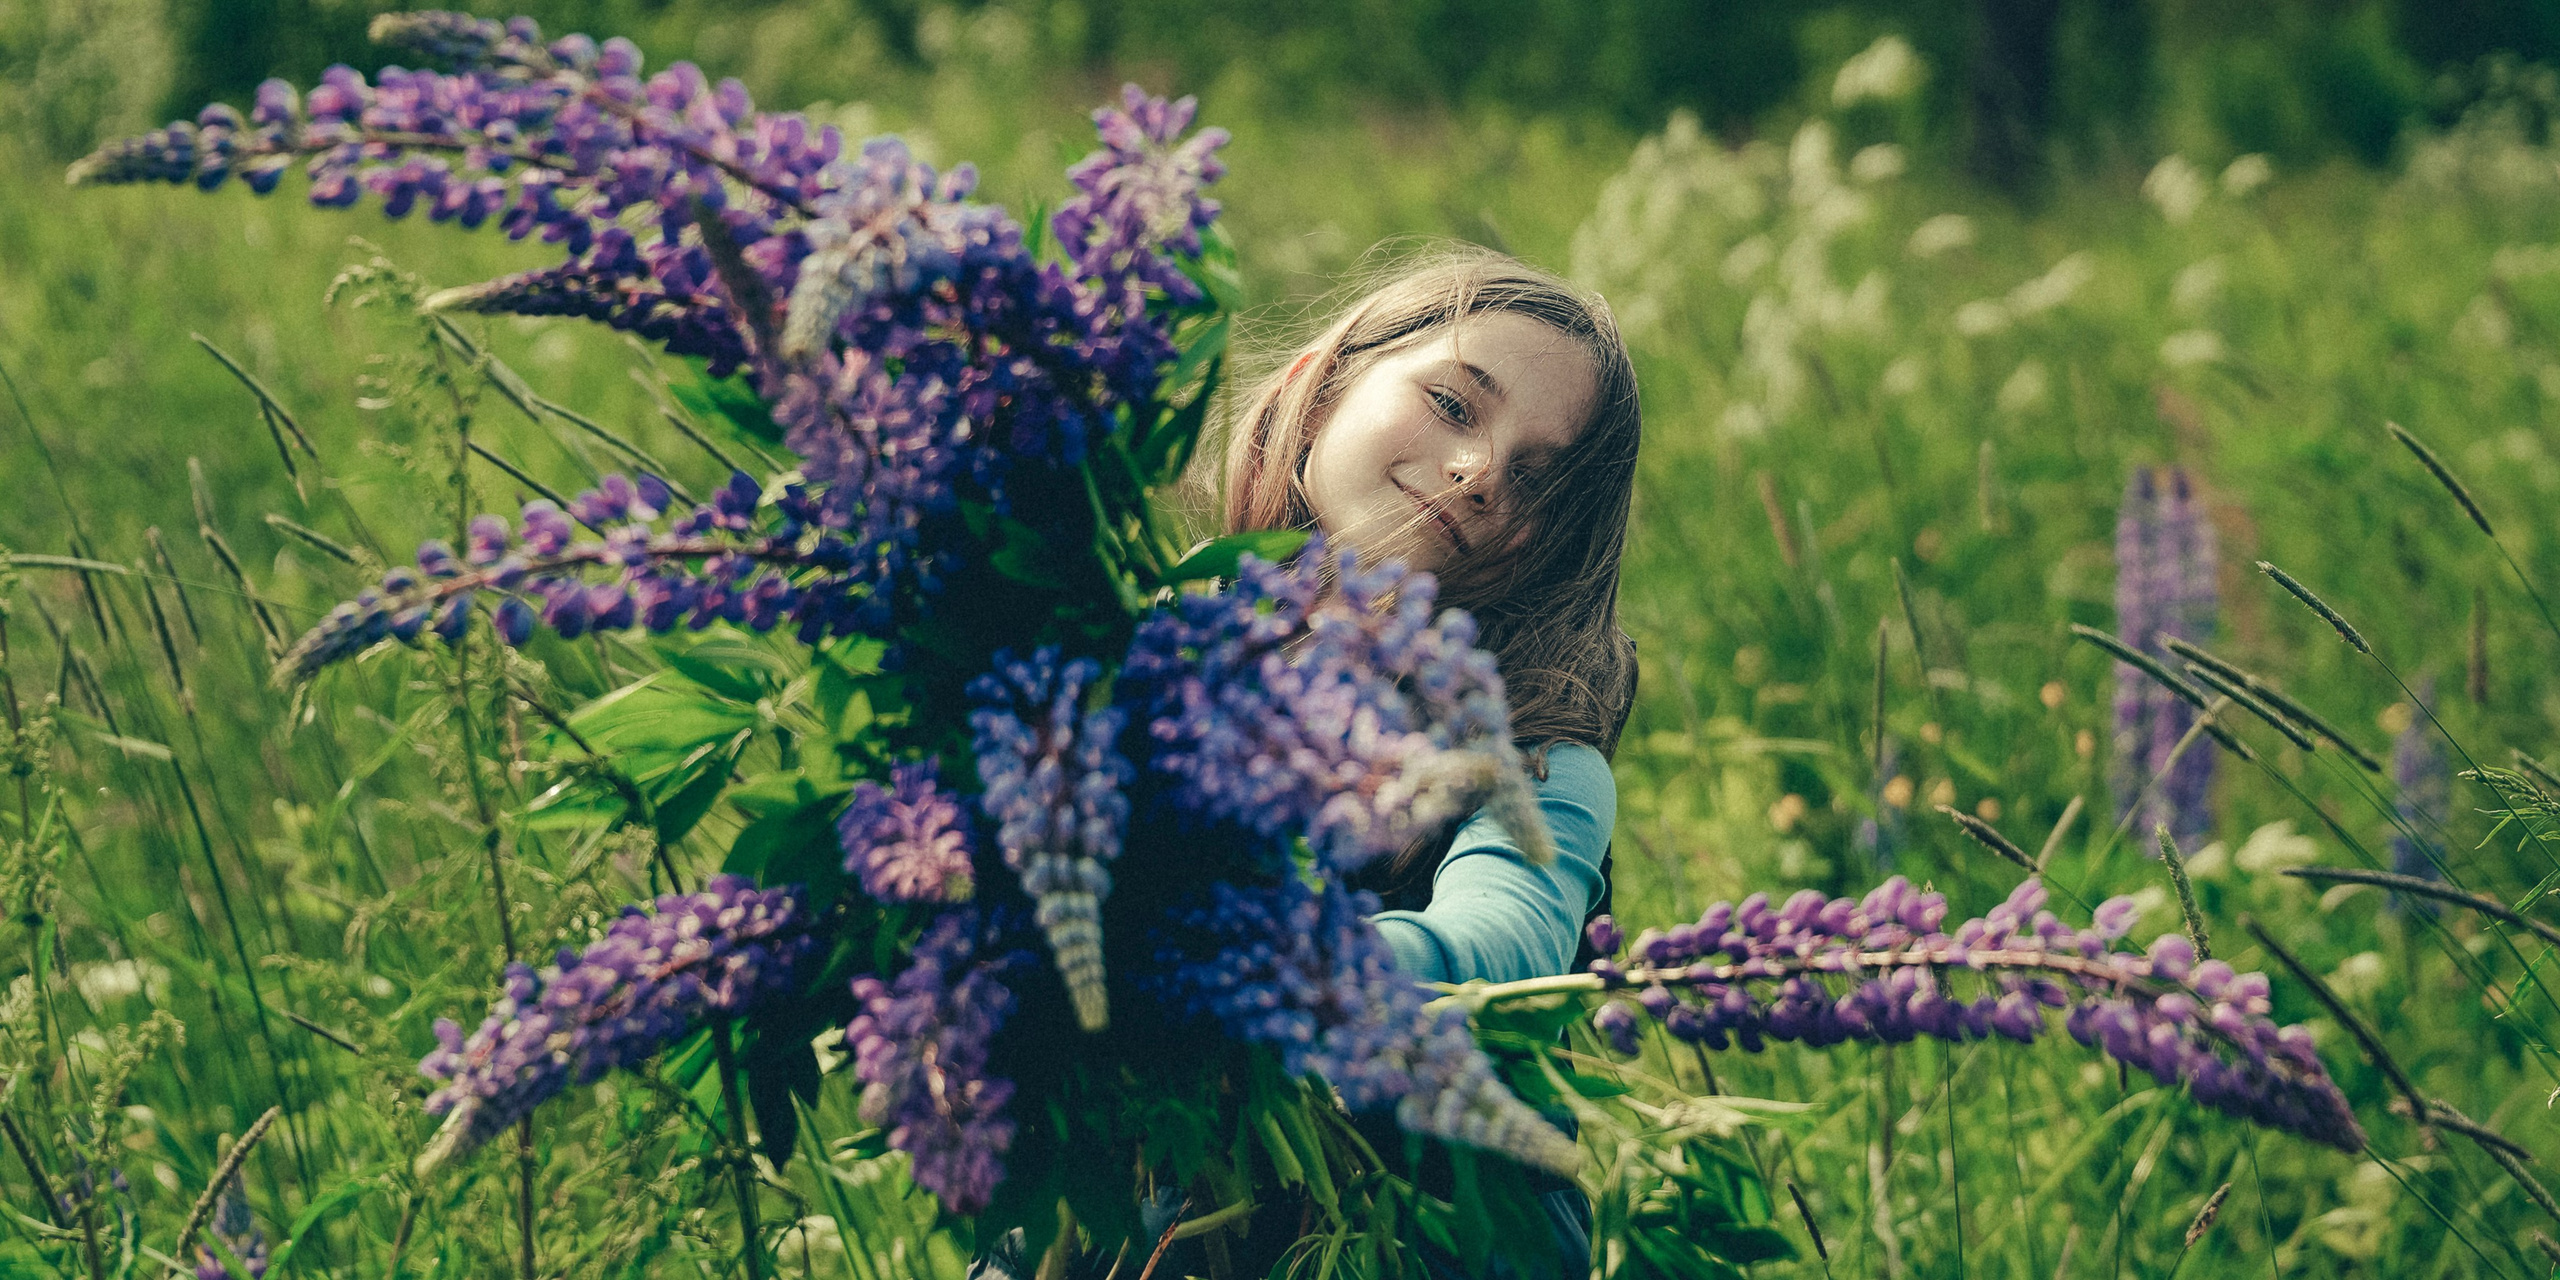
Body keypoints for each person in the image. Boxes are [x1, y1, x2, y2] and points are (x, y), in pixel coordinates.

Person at [1221, 243, 1642, 1276]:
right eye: (1456, 405)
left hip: (1416, 1235)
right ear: (1319, 387)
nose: (1481, 471)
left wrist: (1303, 972)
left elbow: (1503, 937)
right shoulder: (1154, 646)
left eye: (1536, 477)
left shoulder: (1537, 754)